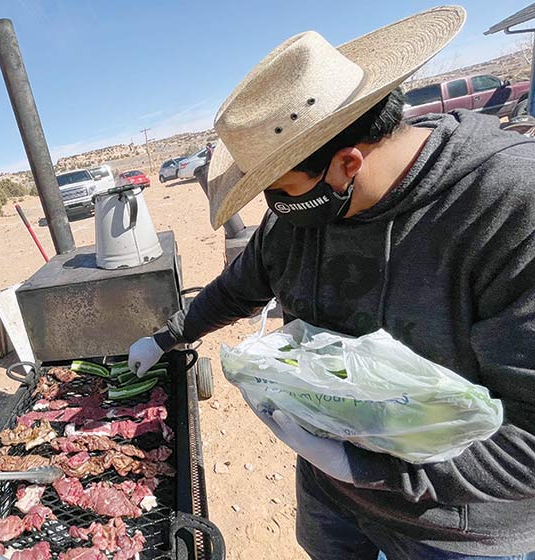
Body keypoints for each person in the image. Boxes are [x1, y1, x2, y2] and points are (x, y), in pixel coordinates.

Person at [128, 6, 535, 560]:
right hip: (333, 503)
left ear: (346, 163)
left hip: (454, 529)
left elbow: (528, 441)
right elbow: (240, 288)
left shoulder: (508, 207)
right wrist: (167, 336)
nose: (273, 208)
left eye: (279, 188)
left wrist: (363, 465)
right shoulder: (297, 217)